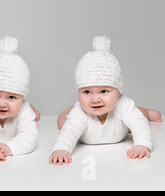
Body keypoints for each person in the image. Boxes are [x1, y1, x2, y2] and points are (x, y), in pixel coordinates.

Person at [49, 35, 162, 165]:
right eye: (87, 92)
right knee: (63, 122)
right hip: (85, 128)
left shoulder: (122, 104)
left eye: (104, 91)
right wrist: (61, 149)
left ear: (118, 91)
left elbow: (139, 124)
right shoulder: (79, 112)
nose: (95, 99)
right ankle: (71, 108)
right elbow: (69, 132)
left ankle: (145, 111)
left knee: (138, 115)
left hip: (119, 128)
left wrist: (142, 144)